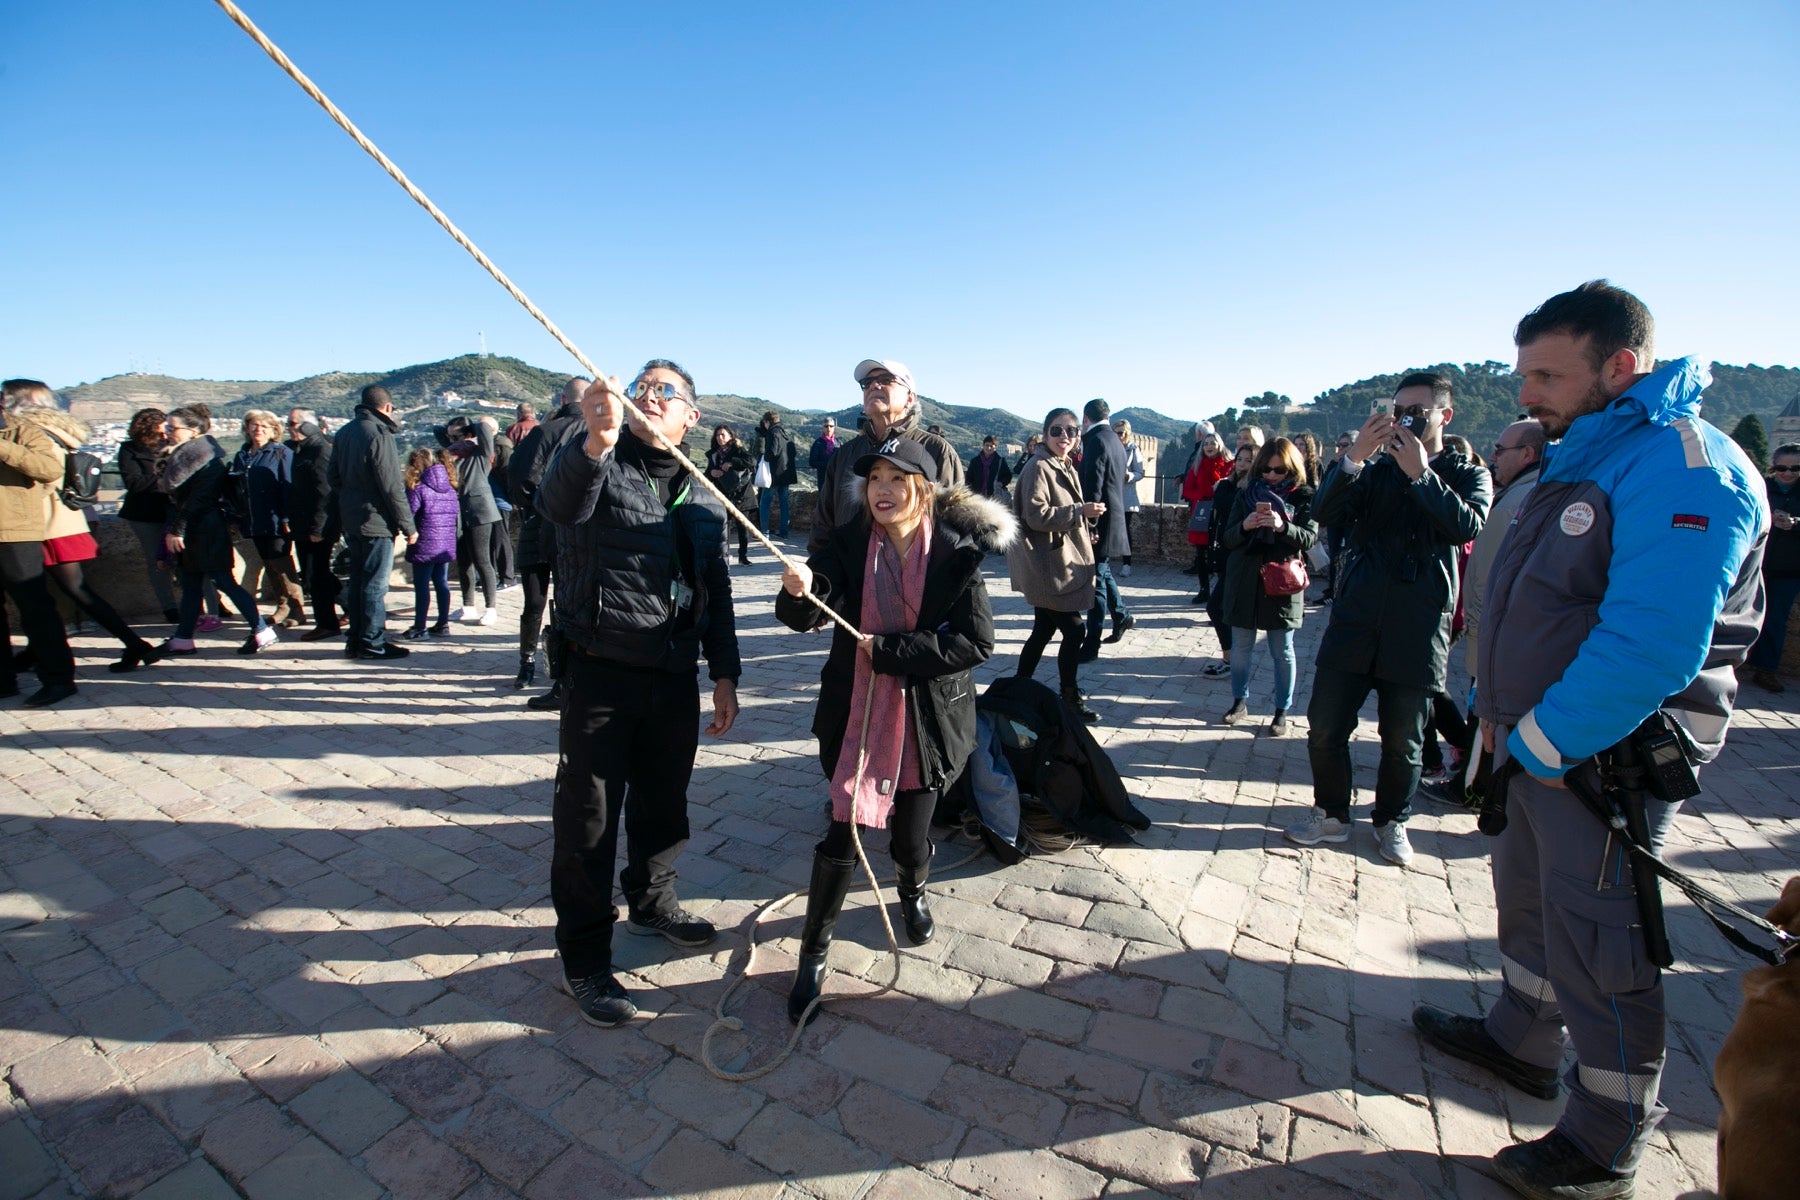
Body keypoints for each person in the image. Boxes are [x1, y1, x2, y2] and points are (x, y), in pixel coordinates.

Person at [1411, 281, 1766, 1200]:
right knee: (1529, 902)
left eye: (1545, 373)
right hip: (1535, 747)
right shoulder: (1590, 453)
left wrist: (1543, 736)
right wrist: (1501, 723)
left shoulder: (1688, 468)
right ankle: (1521, 1038)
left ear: (1620, 367)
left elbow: (1651, 641)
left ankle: (1607, 1136)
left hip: (1600, 758)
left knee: (1602, 937)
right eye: (1524, 371)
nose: (1525, 392)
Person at [775, 436, 1007, 1026]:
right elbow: (810, 608)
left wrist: (891, 650)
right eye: (875, 478)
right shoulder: (850, 543)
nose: (883, 488)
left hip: (929, 719)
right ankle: (813, 957)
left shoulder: (957, 550)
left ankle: (912, 890)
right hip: (856, 711)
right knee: (841, 835)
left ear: (922, 489)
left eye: (897, 478)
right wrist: (799, 588)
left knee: (909, 839)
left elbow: (976, 642)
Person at [536, 360, 740, 1027]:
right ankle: (586, 960)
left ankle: (652, 903)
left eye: (666, 392)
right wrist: (594, 440)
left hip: (674, 673)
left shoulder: (704, 494)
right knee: (587, 822)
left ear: (692, 416)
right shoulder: (596, 460)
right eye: (642, 389)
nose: (651, 398)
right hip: (600, 670)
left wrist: (726, 674)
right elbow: (555, 504)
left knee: (663, 805)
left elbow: (716, 590)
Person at [1287, 371, 1491, 867]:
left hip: (1418, 626)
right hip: (1357, 616)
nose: (1406, 420)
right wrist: (1354, 458)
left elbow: (1466, 525)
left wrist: (1422, 475)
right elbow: (1324, 512)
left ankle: (1391, 820)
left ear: (1446, 415)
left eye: (1417, 411)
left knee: (1404, 740)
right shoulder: (1372, 468)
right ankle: (1332, 813)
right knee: (1325, 726)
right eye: (1400, 410)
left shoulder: (1467, 474)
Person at [6, 390, 162, 676]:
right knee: (58, 593)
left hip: (48, 525)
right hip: (64, 522)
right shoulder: (57, 433)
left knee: (65, 593)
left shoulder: (34, 434)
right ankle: (39, 651)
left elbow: (40, 479)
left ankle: (133, 643)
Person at [157, 406, 277, 657]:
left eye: (172, 427)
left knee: (223, 582)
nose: (166, 432)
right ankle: (183, 638)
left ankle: (261, 629)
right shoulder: (186, 456)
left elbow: (198, 500)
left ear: (193, 431)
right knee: (190, 585)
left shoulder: (208, 462)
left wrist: (177, 529)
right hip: (197, 529)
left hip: (205, 530)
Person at [811, 360, 963, 556]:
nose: (874, 385)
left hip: (917, 578)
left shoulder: (936, 450)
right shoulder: (845, 454)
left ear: (910, 398)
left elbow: (953, 529)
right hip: (849, 579)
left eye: (886, 379)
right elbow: (823, 524)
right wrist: (821, 573)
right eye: (867, 382)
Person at [1219, 437, 1317, 736]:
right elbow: (1228, 538)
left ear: (1292, 469)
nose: (1272, 476)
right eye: (1267, 470)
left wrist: (1282, 526)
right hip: (1245, 580)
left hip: (1281, 581)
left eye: (1279, 471)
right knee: (1240, 649)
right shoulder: (1246, 493)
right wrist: (1246, 525)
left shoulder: (1304, 497)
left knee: (1282, 650)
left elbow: (1309, 539)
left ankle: (1281, 711)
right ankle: (1239, 701)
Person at [1008, 408, 1102, 721]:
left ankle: (1018, 689)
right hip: (1049, 566)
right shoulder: (1039, 467)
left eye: (1072, 431)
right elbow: (1035, 516)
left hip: (1054, 561)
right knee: (1075, 631)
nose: (1064, 437)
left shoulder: (1063, 465)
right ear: (1045, 433)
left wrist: (1088, 523)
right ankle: (1069, 696)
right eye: (1057, 430)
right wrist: (1079, 511)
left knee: (1043, 630)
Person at [509, 378, 587, 698]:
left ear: (562, 398)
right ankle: (565, 674)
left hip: (539, 522)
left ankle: (527, 664)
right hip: (580, 528)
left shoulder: (544, 431)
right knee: (572, 600)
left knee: (534, 601)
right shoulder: (602, 434)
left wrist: (538, 504)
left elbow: (519, 477)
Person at [0, 382, 77, 705]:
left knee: (35, 608)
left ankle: (58, 678)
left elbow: (49, 469)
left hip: (16, 531)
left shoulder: (23, 432)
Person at [329, 385, 418, 661]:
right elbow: (392, 486)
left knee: (357, 581)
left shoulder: (344, 432)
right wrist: (409, 525)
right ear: (388, 408)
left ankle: (356, 639)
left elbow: (332, 477)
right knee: (375, 585)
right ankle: (372, 641)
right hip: (376, 521)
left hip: (352, 518)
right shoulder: (379, 434)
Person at [230, 410, 308, 629]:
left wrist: (286, 516)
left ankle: (297, 608)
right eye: (254, 425)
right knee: (269, 564)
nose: (258, 430)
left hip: (275, 519)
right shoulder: (243, 455)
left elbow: (288, 486)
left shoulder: (281, 453)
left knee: (281, 563)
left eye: (264, 426)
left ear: (274, 430)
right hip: (254, 520)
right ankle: (282, 606)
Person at [1078, 398, 1133, 660]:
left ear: (1085, 418)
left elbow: (1093, 487)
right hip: (1115, 519)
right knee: (1104, 571)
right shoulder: (1115, 440)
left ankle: (1092, 644)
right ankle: (1121, 615)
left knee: (1096, 582)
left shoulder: (1096, 441)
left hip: (1101, 522)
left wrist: (1090, 525)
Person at [117, 407, 180, 623]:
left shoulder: (172, 446)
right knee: (157, 562)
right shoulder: (129, 450)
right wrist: (165, 480)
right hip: (145, 513)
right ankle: (169, 608)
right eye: (160, 432)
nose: (164, 436)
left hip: (173, 510)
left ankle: (202, 603)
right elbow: (134, 483)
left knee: (186, 559)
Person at [1746, 442, 1800, 691]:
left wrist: (1795, 524)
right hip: (1757, 564)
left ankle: (1766, 670)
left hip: (1789, 569)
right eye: (1781, 467)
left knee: (1775, 620)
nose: (1787, 473)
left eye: (1794, 468)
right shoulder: (1761, 488)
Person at [438, 416, 501, 626]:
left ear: (467, 434)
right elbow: (436, 431)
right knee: (464, 560)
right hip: (459, 511)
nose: (450, 439)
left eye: (456, 435)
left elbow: (484, 428)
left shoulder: (480, 453)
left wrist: (471, 428)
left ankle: (491, 608)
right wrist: (455, 433)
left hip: (480, 511)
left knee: (482, 559)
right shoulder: (454, 454)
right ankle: (468, 606)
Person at [1201, 445, 1257, 678]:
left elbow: (1227, 501)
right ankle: (1232, 658)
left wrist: (1225, 488)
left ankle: (1232, 659)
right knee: (1221, 608)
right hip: (1225, 553)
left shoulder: (1253, 488)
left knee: (1217, 607)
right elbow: (1220, 502)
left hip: (1242, 558)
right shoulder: (1230, 484)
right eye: (1240, 459)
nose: (1242, 464)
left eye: (1248, 460)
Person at [286, 412, 342, 641]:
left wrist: (318, 529)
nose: (289, 427)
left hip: (317, 526)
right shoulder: (300, 449)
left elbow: (325, 494)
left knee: (316, 577)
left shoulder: (320, 451)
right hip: (303, 523)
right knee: (315, 576)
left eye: (293, 424)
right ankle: (349, 606)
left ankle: (327, 623)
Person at [401, 448, 458, 638]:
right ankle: (443, 624)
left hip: (424, 542)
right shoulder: (450, 488)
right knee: (442, 582)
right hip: (445, 544)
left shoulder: (418, 489)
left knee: (422, 585)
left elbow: (408, 514)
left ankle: (419, 626)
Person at [1181, 424, 1233, 587]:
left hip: (1222, 513)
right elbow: (1188, 489)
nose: (1209, 446)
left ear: (1219, 445)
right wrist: (1206, 495)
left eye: (1213, 443)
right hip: (1202, 513)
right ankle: (1203, 589)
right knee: (1201, 552)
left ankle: (1220, 589)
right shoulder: (1197, 466)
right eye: (1206, 443)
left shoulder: (1229, 466)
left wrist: (1216, 493)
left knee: (1219, 552)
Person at [706, 424, 754, 566]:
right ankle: (724, 554)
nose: (720, 438)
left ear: (730, 436)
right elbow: (708, 473)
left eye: (723, 435)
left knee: (742, 527)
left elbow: (751, 462)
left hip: (741, 494)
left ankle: (743, 556)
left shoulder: (738, 450)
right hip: (723, 494)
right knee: (724, 526)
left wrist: (731, 463)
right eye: (717, 435)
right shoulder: (714, 454)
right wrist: (711, 473)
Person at [1316, 431, 1356, 602]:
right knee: (1334, 555)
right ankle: (1332, 590)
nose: (1340, 449)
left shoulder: (1366, 466)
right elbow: (1325, 486)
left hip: (1352, 520)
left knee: (1349, 556)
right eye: (1338, 445)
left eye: (1344, 445)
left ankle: (1347, 592)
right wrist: (1334, 463)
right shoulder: (1334, 465)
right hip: (1335, 519)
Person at [753, 410, 797, 539]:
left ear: (767, 421)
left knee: (764, 502)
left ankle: (764, 532)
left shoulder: (773, 432)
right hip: (786, 474)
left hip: (774, 475)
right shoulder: (785, 432)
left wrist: (764, 457)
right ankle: (784, 532)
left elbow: (772, 452)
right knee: (784, 503)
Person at [1111, 419, 1147, 576]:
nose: (1118, 436)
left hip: (1126, 497)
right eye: (1115, 433)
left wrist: (1130, 476)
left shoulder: (1133, 449)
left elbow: (1140, 472)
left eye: (1121, 433)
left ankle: (1127, 563)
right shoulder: (1110, 448)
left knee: (1125, 530)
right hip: (1111, 494)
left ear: (1127, 433)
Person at [967, 434, 1013, 500]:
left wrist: (1001, 483)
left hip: (993, 496)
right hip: (977, 495)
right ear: (983, 446)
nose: (989, 448)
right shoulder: (975, 461)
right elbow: (968, 478)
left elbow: (1008, 476)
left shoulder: (1000, 461)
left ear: (995, 447)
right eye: (987, 445)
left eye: (991, 446)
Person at [808, 417, 839, 493]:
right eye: (826, 426)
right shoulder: (818, 443)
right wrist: (828, 464)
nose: (829, 428)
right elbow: (812, 462)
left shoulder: (838, 443)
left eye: (831, 426)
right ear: (823, 428)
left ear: (834, 427)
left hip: (836, 479)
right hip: (823, 480)